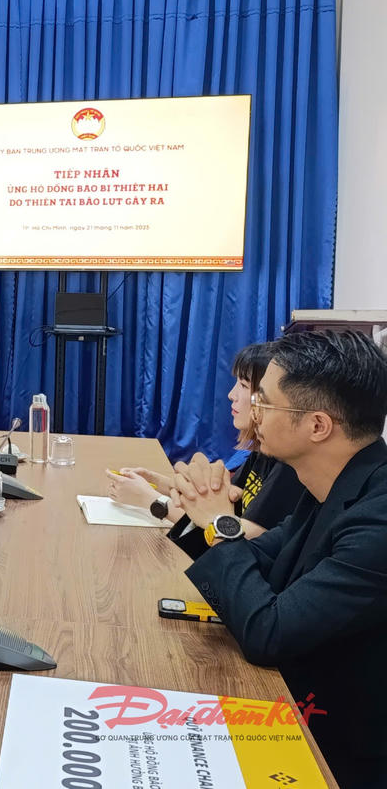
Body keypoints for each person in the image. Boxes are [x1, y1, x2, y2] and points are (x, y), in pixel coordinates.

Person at [173, 330, 387, 787]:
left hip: (338, 753)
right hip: (296, 707)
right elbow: (261, 561)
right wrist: (202, 509)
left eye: (264, 403)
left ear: (317, 426)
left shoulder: (378, 519)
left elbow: (269, 631)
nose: (253, 412)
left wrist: (219, 523)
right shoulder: (333, 484)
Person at [105, 341, 306, 558]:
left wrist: (152, 500)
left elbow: (236, 533)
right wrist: (161, 484)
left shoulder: (289, 467)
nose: (231, 395)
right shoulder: (261, 453)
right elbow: (222, 505)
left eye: (244, 385)